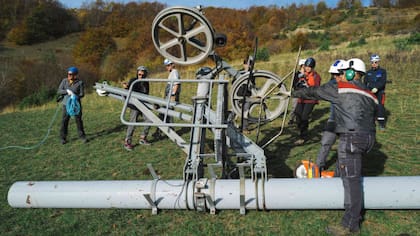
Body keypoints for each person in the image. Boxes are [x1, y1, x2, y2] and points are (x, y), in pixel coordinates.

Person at [280, 58, 377, 234]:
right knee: (349, 174)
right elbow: (378, 114)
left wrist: (293, 93)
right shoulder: (369, 93)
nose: (340, 75)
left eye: (343, 72)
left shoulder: (340, 87)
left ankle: (350, 224)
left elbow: (314, 92)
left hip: (351, 138)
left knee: (351, 181)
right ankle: (338, 194)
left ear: (349, 72)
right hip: (368, 138)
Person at [315, 59, 343, 172]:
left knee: (343, 149)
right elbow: (318, 91)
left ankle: (339, 172)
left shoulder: (352, 86)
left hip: (347, 122)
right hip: (333, 120)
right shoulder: (331, 84)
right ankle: (318, 168)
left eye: (337, 74)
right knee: (325, 143)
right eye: (333, 75)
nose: (334, 77)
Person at [122, 66, 151, 151]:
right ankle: (127, 141)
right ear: (137, 73)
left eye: (142, 74)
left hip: (143, 104)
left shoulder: (146, 82)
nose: (141, 75)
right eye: (139, 73)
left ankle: (143, 138)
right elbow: (129, 89)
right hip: (134, 105)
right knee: (133, 122)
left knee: (149, 119)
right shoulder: (133, 80)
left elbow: (146, 94)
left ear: (145, 74)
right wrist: (126, 87)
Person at [293, 57, 321, 145]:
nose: (307, 68)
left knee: (304, 117)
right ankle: (300, 128)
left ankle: (303, 136)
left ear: (312, 67)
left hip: (310, 100)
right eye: (306, 66)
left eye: (309, 67)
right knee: (297, 114)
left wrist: (307, 85)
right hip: (301, 98)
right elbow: (295, 85)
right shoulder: (301, 74)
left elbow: (315, 88)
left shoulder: (316, 76)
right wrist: (297, 78)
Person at [57, 66, 87, 144]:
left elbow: (82, 94)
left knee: (78, 120)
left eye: (71, 74)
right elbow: (59, 91)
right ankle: (63, 138)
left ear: (75, 75)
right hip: (66, 104)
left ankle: (82, 136)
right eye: (68, 74)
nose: (69, 76)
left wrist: (75, 96)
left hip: (76, 105)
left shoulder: (80, 83)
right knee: (65, 121)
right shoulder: (64, 81)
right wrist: (67, 91)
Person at [154, 58, 181, 138]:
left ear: (173, 64)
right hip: (168, 96)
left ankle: (171, 132)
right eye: (166, 66)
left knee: (167, 113)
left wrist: (173, 95)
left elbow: (176, 84)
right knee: (164, 113)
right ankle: (160, 132)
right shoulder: (172, 72)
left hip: (170, 97)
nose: (167, 67)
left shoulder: (174, 72)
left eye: (169, 65)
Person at [364, 54, 387, 130]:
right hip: (370, 92)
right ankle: (370, 122)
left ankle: (381, 124)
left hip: (380, 92)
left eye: (375, 62)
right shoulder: (368, 72)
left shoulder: (383, 71)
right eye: (372, 62)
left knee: (380, 107)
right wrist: (367, 90)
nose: (374, 64)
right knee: (370, 107)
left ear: (378, 62)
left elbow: (382, 81)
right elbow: (365, 82)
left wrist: (377, 87)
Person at [288, 58, 306, 125]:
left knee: (302, 107)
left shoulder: (308, 74)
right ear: (302, 65)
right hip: (297, 92)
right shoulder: (296, 74)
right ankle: (291, 119)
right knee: (294, 107)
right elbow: (294, 83)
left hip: (304, 92)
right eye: (305, 65)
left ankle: (299, 119)